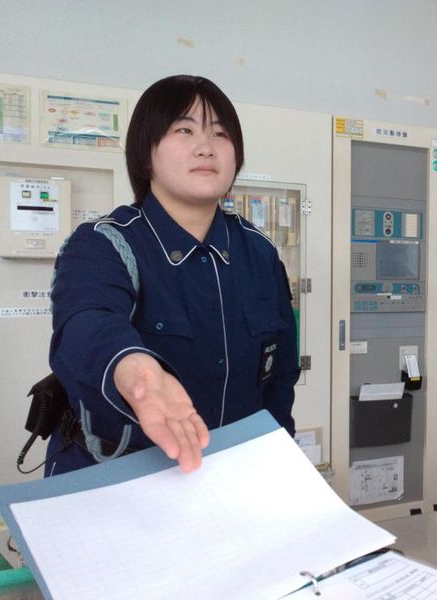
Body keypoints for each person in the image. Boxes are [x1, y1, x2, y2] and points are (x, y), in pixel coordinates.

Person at [46, 75, 300, 476]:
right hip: (117, 476)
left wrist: (281, 461)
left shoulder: (259, 253)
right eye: (184, 130)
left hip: (230, 475)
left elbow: (280, 376)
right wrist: (135, 371)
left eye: (220, 134)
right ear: (145, 153)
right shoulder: (103, 244)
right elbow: (87, 322)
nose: (206, 146)